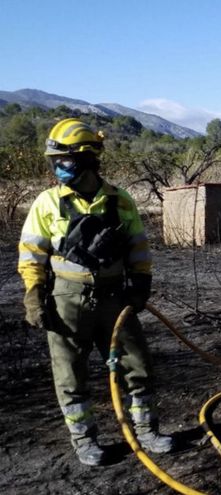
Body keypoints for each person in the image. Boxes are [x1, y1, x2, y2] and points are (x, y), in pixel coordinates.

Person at [17, 118, 174, 466]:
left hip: (115, 297)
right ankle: (84, 439)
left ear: (88, 159)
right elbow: (31, 255)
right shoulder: (47, 204)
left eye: (66, 161)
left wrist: (140, 283)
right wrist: (33, 294)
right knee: (70, 374)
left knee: (137, 365)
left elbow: (138, 247)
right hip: (66, 299)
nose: (58, 168)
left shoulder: (119, 201)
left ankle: (146, 431)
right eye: (54, 161)